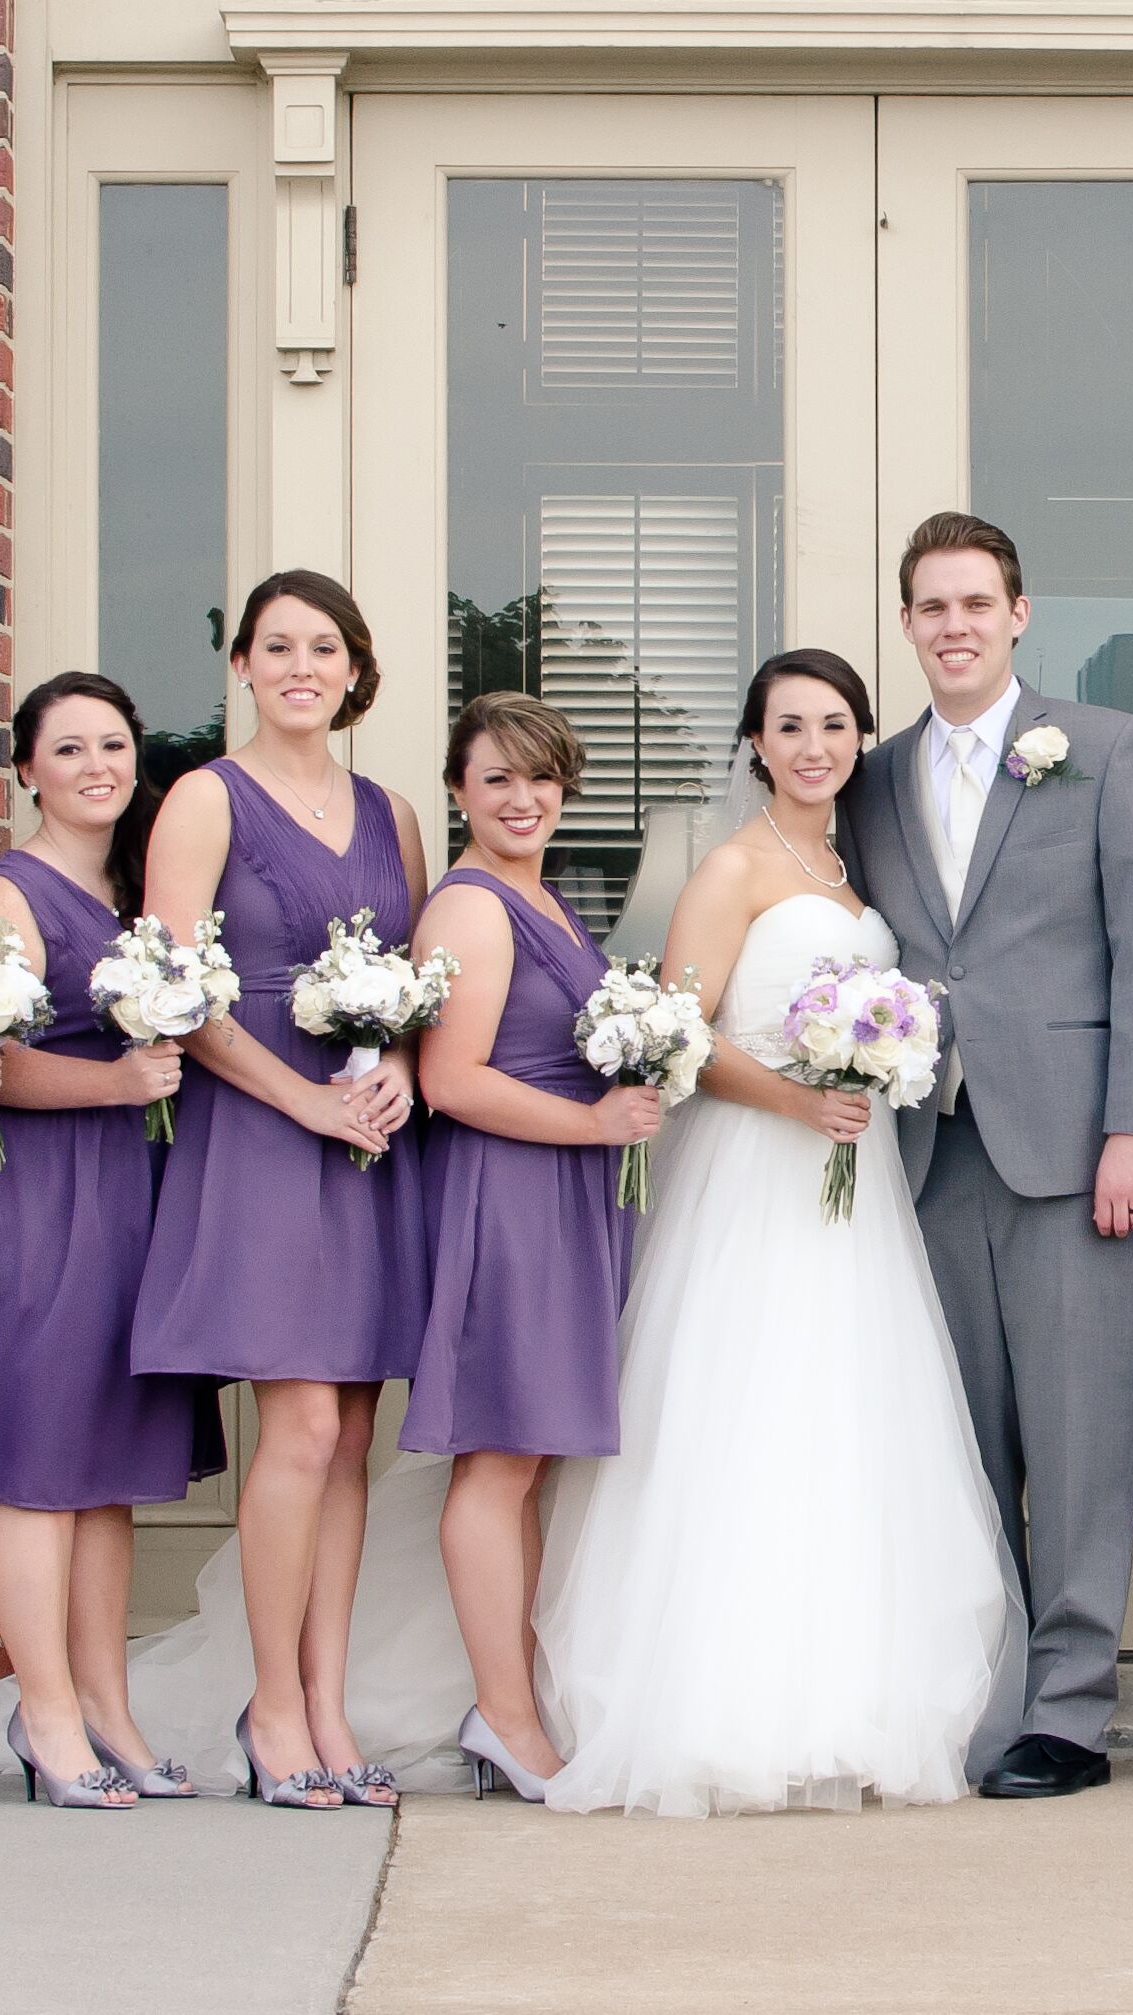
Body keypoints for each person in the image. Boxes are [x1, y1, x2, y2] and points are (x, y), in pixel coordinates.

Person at [534, 649, 1021, 1815]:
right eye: (791, 725)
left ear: (860, 738)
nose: (816, 745)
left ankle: (850, 1692)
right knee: (748, 1412)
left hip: (854, 1196)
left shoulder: (856, 877)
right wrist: (802, 1098)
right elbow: (683, 1035)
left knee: (847, 1419)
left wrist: (882, 1061)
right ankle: (724, 1699)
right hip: (757, 1177)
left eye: (836, 724)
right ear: (755, 741)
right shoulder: (734, 867)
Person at [838, 513, 1133, 1798]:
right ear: (909, 622)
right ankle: (982, 1692)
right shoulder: (870, 777)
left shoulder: (1101, 748)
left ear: (1021, 612)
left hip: (1075, 1145)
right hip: (928, 1147)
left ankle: (1073, 1712)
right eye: (931, 606)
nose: (955, 625)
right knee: (959, 1443)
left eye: (976, 602)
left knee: (1081, 1436)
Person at [128, 570, 433, 1809]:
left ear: (356, 669)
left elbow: (420, 970)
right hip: (259, 1128)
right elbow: (171, 986)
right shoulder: (204, 798)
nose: (301, 665)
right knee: (301, 1423)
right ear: (242, 666)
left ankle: (325, 1696)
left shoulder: (396, 812)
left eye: (324, 647)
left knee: (354, 1432)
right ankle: (269, 1703)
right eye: (276, 646)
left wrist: (402, 1063)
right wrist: (299, 1097)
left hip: (365, 1131)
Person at [0, 673, 215, 1810]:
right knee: (43, 1465)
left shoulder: (144, 892)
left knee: (105, 1476)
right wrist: (114, 1080)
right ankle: (47, 1717)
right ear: (26, 770)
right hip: (41, 1197)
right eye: (71, 747)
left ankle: (108, 1707)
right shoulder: (7, 895)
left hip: (129, 1192)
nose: (98, 764)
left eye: (114, 744)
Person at [405, 694, 654, 1799]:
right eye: (497, 777)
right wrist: (595, 1122)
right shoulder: (469, 907)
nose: (523, 797)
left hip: (565, 1194)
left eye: (542, 776)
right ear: (460, 788)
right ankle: (502, 1714)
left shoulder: (540, 896)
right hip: (508, 1194)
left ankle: (518, 1701)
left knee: (528, 1460)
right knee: (498, 1457)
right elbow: (449, 1081)